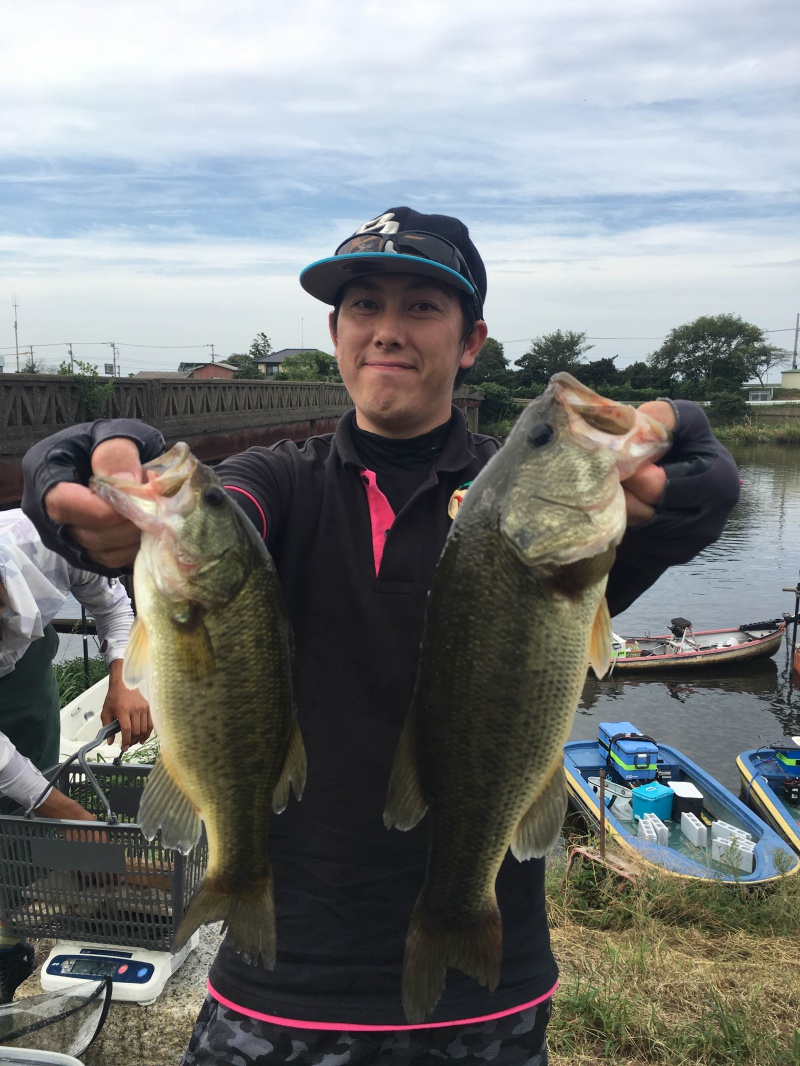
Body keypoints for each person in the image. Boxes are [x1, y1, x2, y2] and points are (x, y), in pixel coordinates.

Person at [20, 206, 740, 1064]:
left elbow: (693, 482)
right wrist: (86, 469)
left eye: (422, 307)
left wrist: (692, 470)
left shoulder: (550, 516)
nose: (387, 331)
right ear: (335, 330)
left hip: (489, 976)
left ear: (471, 340)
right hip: (282, 976)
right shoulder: (274, 481)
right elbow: (213, 512)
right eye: (364, 306)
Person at [0, 509, 153, 1003]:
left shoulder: (52, 537)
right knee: (40, 804)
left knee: (34, 806)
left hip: (27, 688)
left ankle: (13, 932)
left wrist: (123, 678)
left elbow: (113, 607)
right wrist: (70, 813)